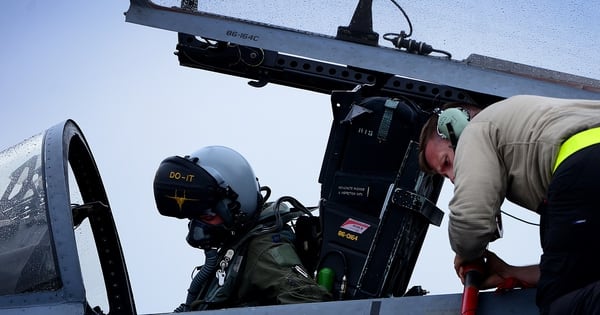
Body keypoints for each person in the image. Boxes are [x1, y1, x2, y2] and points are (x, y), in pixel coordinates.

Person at [417, 95, 600, 314]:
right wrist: (509, 271)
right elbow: (571, 271)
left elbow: (470, 220)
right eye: (445, 176)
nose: (454, 178)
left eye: (447, 162)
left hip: (583, 167)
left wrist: (466, 252)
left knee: (559, 306)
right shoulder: (539, 131)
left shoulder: (476, 129)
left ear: (455, 125)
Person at [152, 145, 331, 311]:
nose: (197, 229)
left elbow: (309, 304)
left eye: (207, 217)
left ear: (235, 208)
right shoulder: (239, 245)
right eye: (194, 218)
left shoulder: (263, 249)